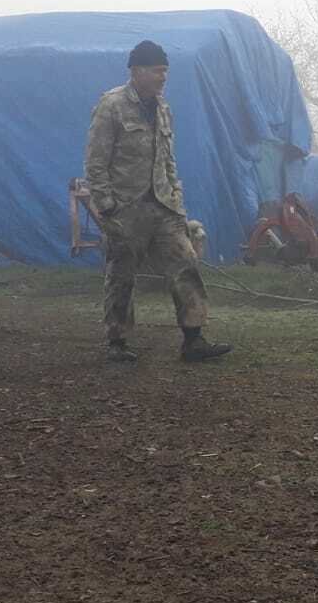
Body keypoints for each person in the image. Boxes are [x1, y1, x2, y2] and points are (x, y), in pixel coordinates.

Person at [84, 39, 231, 363]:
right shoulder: (112, 105)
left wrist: (176, 198)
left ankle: (194, 339)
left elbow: (168, 159)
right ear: (136, 72)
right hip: (126, 208)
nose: (163, 77)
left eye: (165, 71)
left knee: (186, 263)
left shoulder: (163, 108)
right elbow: (96, 161)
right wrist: (107, 205)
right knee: (122, 274)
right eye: (157, 71)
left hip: (163, 206)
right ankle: (117, 341)